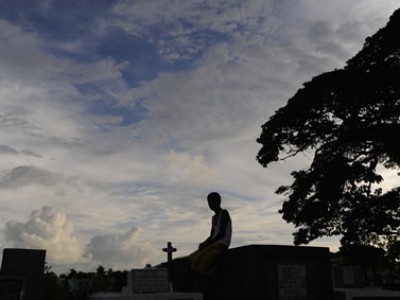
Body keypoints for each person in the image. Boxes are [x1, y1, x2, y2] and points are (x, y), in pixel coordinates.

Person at [187, 192, 232, 276]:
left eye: (212, 202)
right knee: (192, 258)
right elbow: (212, 235)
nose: (210, 204)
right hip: (213, 244)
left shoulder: (224, 213)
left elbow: (221, 234)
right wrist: (204, 243)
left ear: (219, 202)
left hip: (221, 244)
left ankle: (207, 274)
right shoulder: (214, 217)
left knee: (200, 261)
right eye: (209, 202)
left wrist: (207, 244)